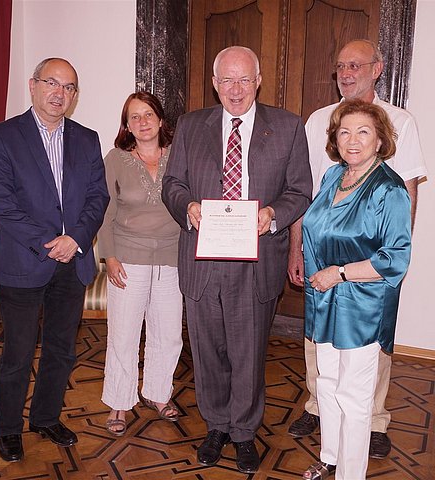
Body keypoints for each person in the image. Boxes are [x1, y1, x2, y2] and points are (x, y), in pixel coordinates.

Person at [162, 46, 312, 474]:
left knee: (248, 354)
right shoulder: (192, 127)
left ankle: (244, 434)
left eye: (244, 79)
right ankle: (216, 426)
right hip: (203, 259)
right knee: (208, 353)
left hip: (256, 259)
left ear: (258, 80)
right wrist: (187, 206)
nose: (236, 89)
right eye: (227, 80)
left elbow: (300, 190)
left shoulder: (286, 127)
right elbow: (172, 183)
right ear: (214, 84)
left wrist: (273, 216)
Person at [288, 39, 427, 458]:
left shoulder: (401, 119)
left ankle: (373, 420)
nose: (346, 73)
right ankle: (319, 411)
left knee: (365, 362)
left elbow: (407, 190)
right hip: (322, 264)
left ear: (378, 68)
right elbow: (307, 193)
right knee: (323, 356)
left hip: (367, 268)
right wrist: (298, 249)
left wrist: (389, 258)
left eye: (356, 65)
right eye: (340, 66)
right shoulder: (316, 122)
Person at [0, 58, 109, 462]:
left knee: (61, 348)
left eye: (69, 87)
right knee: (17, 353)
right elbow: (2, 204)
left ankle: (45, 418)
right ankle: (7, 428)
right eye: (52, 83)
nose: (60, 93)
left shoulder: (87, 139)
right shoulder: (2, 136)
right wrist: (47, 242)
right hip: (23, 261)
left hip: (73, 262)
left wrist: (75, 239)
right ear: (33, 85)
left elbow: (97, 197)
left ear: (74, 96)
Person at [301, 99, 411, 480]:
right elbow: (316, 229)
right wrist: (320, 277)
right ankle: (329, 456)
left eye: (363, 131)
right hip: (324, 297)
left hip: (363, 304)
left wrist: (340, 274)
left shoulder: (390, 190)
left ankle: (351, 474)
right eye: (344, 131)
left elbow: (395, 257)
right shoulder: (334, 175)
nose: (352, 140)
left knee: (355, 395)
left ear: (380, 140)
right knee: (327, 384)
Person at [97, 92, 183, 436]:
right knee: (123, 334)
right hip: (128, 259)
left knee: (168, 334)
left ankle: (159, 394)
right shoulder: (115, 159)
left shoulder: (179, 157)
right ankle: (119, 401)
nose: (142, 122)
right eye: (135, 117)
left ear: (161, 120)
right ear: (127, 125)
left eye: (148, 114)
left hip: (172, 258)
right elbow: (105, 213)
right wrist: (110, 256)